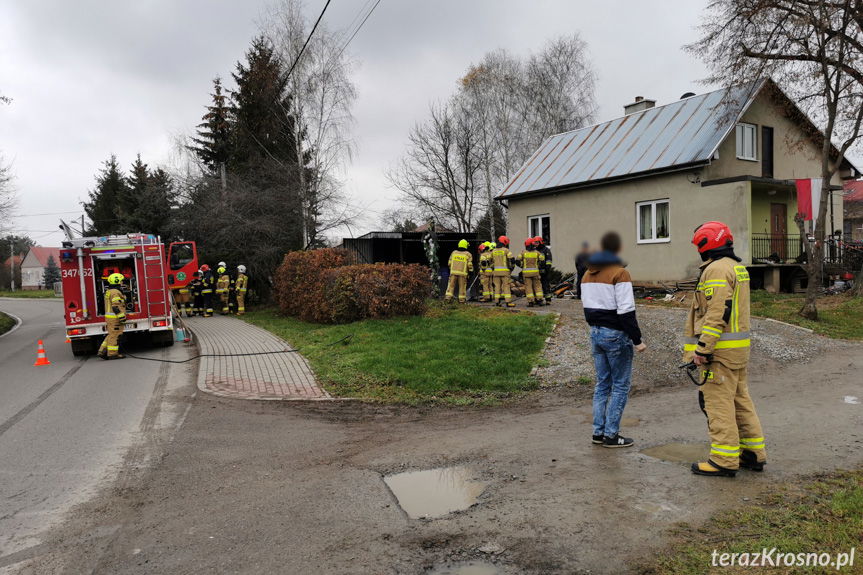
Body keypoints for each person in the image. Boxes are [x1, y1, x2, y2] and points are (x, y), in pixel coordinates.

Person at [686, 221, 765, 478]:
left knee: (718, 404)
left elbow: (717, 312)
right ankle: (753, 453)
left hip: (719, 353)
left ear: (704, 245)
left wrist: (703, 348)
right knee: (741, 401)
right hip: (737, 352)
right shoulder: (736, 267)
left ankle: (723, 460)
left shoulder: (716, 270)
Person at [581, 231, 646, 448]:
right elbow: (626, 311)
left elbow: (588, 308)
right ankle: (611, 435)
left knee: (602, 385)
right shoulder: (620, 274)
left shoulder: (586, 274)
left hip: (596, 333)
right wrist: (637, 340)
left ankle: (598, 433)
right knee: (619, 386)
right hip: (616, 335)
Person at [97, 272, 127, 360]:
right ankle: (112, 354)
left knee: (111, 334)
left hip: (110, 318)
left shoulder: (109, 291)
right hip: (115, 318)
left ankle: (102, 350)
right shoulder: (115, 292)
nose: (122, 283)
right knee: (115, 335)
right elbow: (116, 306)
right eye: (121, 281)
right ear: (117, 281)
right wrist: (122, 317)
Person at [517, 238, 546, 306]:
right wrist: (539, 266)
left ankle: (531, 302)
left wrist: (522, 266)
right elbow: (543, 261)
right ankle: (540, 300)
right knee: (538, 286)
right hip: (535, 273)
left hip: (526, 274)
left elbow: (517, 261)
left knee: (528, 287)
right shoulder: (537, 253)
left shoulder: (523, 253)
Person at [491, 236, 516, 307]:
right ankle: (508, 302)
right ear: (505, 242)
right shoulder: (506, 250)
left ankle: (497, 302)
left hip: (496, 272)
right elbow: (512, 260)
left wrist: (493, 269)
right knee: (506, 286)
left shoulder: (493, 251)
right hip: (505, 272)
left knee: (497, 286)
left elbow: (490, 261)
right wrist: (511, 268)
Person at [534, 236, 554, 304]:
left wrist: (547, 269)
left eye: (537, 242)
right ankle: (538, 299)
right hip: (536, 271)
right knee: (537, 286)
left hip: (545, 271)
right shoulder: (534, 250)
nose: (535, 244)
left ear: (540, 242)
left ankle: (548, 300)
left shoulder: (546, 250)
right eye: (535, 242)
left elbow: (549, 260)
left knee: (545, 286)